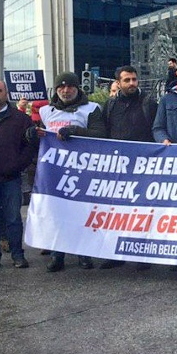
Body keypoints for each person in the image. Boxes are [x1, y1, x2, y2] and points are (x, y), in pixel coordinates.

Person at [38, 72, 107, 272]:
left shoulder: (91, 108)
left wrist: (75, 131)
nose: (66, 91)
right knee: (57, 213)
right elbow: (41, 136)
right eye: (61, 87)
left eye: (70, 87)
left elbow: (100, 134)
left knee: (81, 213)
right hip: (55, 170)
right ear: (56, 89)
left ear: (77, 88)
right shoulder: (46, 111)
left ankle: (83, 253)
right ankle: (57, 254)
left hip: (82, 169)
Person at [98, 65, 159, 270]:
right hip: (118, 168)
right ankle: (115, 254)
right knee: (117, 211)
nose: (132, 83)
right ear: (118, 83)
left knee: (142, 211)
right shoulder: (110, 105)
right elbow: (103, 133)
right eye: (127, 80)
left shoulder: (149, 103)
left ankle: (142, 254)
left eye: (134, 79)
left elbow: (157, 129)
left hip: (144, 167)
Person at [0, 79, 38, 271]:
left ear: (6, 93)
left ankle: (18, 255)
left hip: (10, 179)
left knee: (13, 219)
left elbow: (30, 146)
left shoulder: (21, 119)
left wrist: (17, 166)